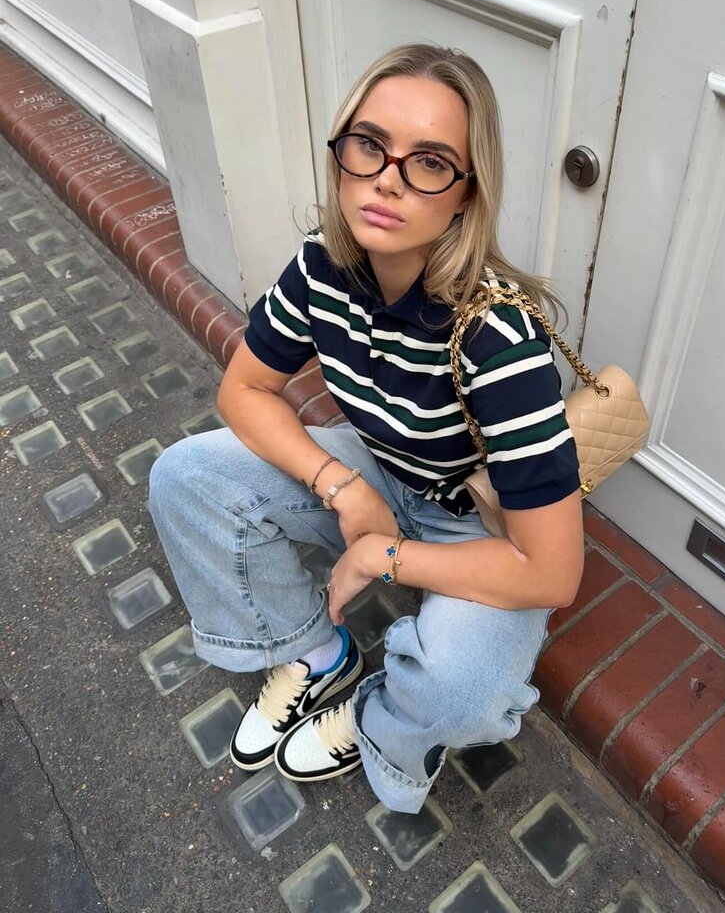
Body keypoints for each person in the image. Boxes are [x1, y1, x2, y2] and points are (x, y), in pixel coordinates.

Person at [148, 43, 584, 814]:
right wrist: (341, 485)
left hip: (473, 522)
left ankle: (381, 720)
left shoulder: (498, 340)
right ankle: (316, 655)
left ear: (466, 194)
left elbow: (552, 574)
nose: (387, 178)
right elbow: (245, 388)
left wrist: (386, 557)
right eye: (370, 145)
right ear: (342, 154)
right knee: (186, 476)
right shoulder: (323, 266)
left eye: (431, 162)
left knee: (464, 691)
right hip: (377, 466)